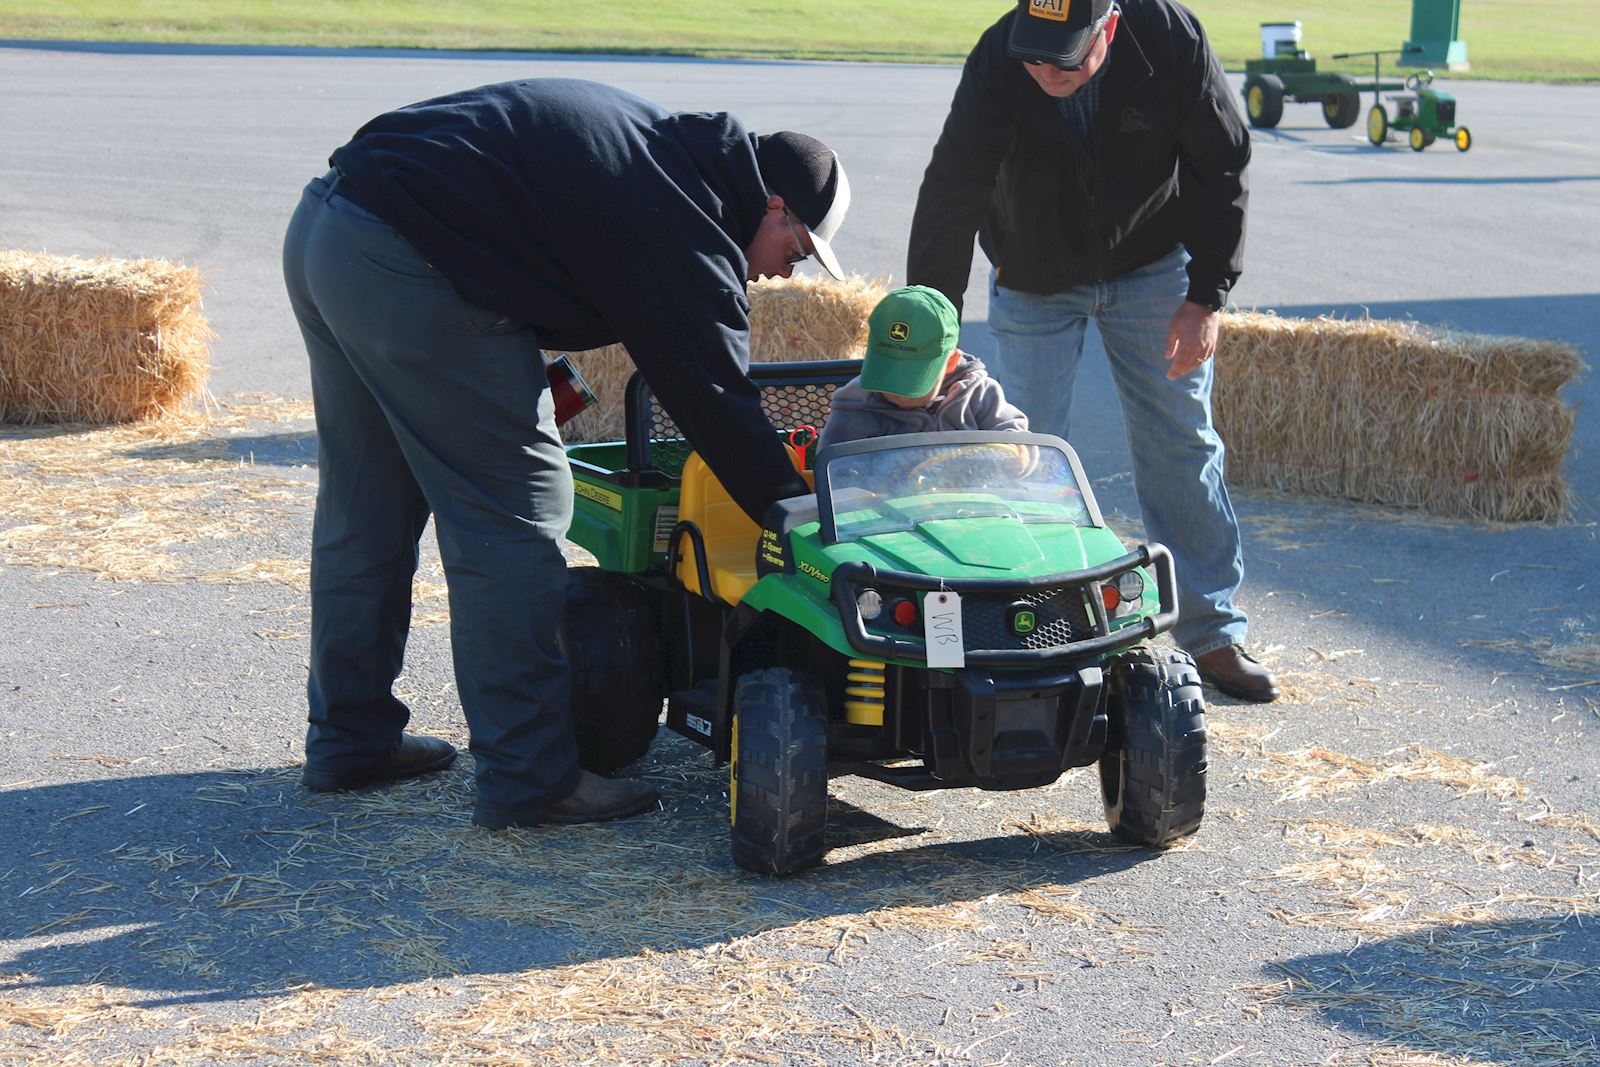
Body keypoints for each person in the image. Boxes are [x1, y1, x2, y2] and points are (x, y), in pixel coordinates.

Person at [281, 77, 851, 827]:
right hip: (408, 264)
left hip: (331, 230)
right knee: (517, 514)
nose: (785, 271)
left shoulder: (665, 156)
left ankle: (350, 739)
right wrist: (799, 514)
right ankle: (530, 775)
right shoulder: (686, 221)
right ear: (772, 204)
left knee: (368, 505)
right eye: (798, 248)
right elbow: (718, 403)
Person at [906, 0, 1279, 702]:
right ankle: (1024, 631)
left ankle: (1213, 632)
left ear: (1107, 29)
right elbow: (953, 186)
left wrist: (1206, 296)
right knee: (1021, 451)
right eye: (1036, 55)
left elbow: (1220, 162)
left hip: (1150, 263)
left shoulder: (1169, 38)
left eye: (1065, 57)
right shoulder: (1000, 56)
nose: (1046, 69)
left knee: (1181, 439)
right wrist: (936, 329)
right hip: (1034, 271)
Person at [819, 284, 1028, 450]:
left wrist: (1017, 452)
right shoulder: (858, 406)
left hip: (971, 499)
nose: (897, 392)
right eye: (887, 375)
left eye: (912, 381)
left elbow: (1013, 433)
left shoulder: (978, 395)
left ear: (951, 362)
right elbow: (833, 468)